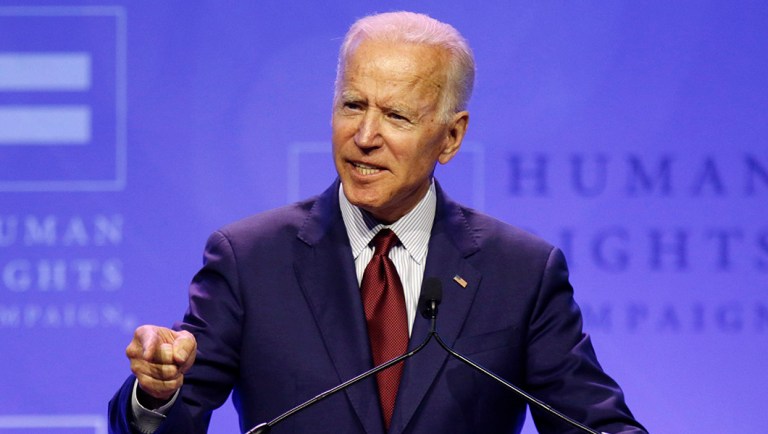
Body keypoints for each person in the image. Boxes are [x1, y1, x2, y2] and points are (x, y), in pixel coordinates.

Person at [109, 11, 647, 434]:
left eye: (396, 116)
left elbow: (596, 424)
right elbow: (168, 419)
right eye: (352, 105)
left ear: (451, 137)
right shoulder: (250, 260)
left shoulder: (520, 273)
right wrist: (157, 392)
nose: (365, 136)